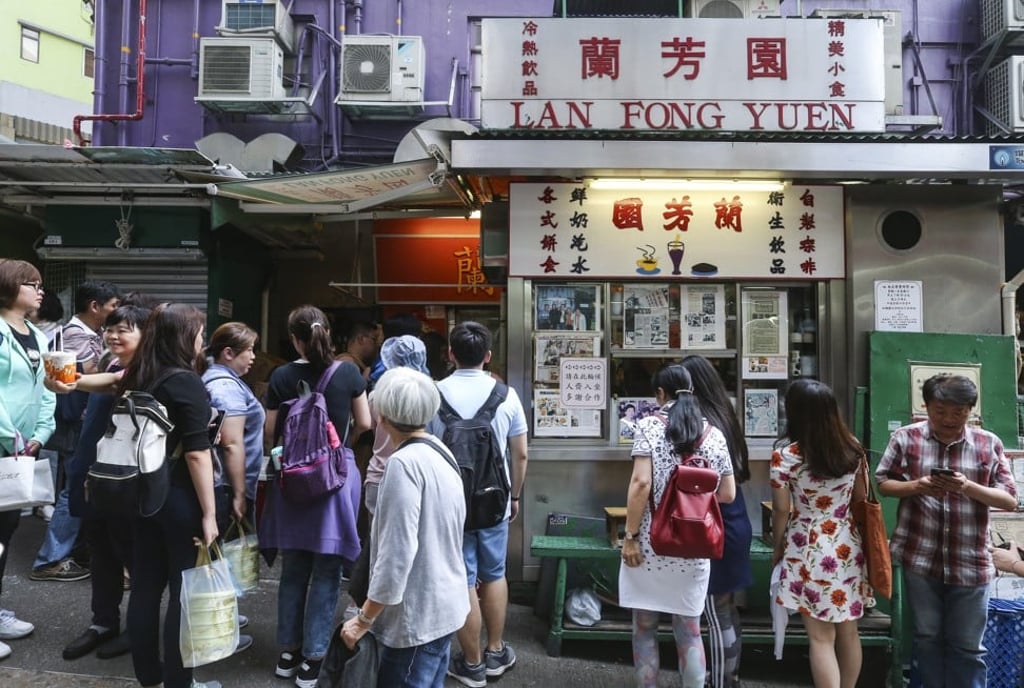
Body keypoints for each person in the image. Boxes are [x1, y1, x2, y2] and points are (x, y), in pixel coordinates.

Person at [875, 374, 1017, 688]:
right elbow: (883, 483)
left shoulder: (988, 443)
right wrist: (918, 486)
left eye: (958, 412)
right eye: (940, 411)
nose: (949, 419)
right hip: (920, 558)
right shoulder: (905, 438)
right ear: (926, 407)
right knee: (927, 639)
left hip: (971, 563)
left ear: (971, 410)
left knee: (967, 647)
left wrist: (967, 487)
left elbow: (1009, 499)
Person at [340, 367, 471, 687]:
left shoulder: (402, 465)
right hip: (445, 606)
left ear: (382, 415)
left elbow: (396, 555)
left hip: (416, 616)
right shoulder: (441, 451)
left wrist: (364, 619)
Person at [261, 305, 370, 688]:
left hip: (292, 481)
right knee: (326, 571)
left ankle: (287, 654)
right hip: (334, 481)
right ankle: (313, 660)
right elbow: (367, 422)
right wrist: (336, 446)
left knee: (294, 569)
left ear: (294, 338)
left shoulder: (280, 376)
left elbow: (270, 432)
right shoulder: (348, 374)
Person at [121, 303, 224, 688]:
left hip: (142, 493)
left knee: (146, 587)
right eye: (199, 333)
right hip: (180, 495)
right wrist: (210, 514)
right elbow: (197, 453)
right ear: (184, 337)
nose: (202, 340)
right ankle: (180, 682)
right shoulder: (185, 381)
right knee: (185, 594)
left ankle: (150, 678)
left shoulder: (141, 375)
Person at [619, 363, 736, 688]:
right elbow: (727, 494)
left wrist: (630, 536)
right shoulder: (714, 435)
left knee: (644, 629)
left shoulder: (649, 427)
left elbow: (641, 483)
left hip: (649, 547)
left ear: (660, 394)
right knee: (690, 632)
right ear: (692, 392)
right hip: (694, 550)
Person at [436, 321, 528, 688]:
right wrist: (516, 495)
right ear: (488, 356)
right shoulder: (507, 395)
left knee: (463, 579)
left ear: (450, 355)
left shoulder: (434, 392)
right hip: (495, 503)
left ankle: (471, 664)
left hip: (450, 506)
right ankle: (495, 651)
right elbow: (520, 454)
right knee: (494, 574)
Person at [62, 302, 152, 661]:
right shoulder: (109, 362)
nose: (113, 336)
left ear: (146, 337)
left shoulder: (144, 372)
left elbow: (115, 385)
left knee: (133, 554)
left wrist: (73, 381)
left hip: (124, 480)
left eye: (123, 330)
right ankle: (103, 622)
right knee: (100, 553)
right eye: (110, 329)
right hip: (91, 474)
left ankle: (138, 626)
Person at [770, 379, 872, 688]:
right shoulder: (853, 450)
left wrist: (778, 547)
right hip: (846, 543)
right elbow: (861, 498)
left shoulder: (785, 457)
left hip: (807, 545)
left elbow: (781, 510)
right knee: (848, 631)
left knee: (820, 638)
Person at [32, 279, 121, 583]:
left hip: (82, 422)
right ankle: (50, 560)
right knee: (73, 488)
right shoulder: (74, 335)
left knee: (79, 485)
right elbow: (87, 375)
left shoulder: (89, 334)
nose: (116, 313)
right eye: (113, 307)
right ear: (95, 307)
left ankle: (76, 551)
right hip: (75, 424)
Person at [680, 354, 752, 688]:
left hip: (713, 526)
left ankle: (723, 682)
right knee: (723, 609)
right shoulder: (726, 416)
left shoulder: (703, 426)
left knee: (714, 610)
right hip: (734, 520)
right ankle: (727, 677)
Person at [0, 259, 56, 659]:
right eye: (30, 283)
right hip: (7, 444)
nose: (40, 290)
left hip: (22, 449)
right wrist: (12, 437)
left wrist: (40, 434)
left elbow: (50, 388)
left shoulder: (37, 334)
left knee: (5, 533)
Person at [203, 321, 265, 523]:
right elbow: (231, 443)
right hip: (228, 486)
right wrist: (240, 494)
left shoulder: (212, 378)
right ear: (228, 353)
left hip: (222, 484)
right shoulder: (226, 388)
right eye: (249, 350)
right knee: (232, 551)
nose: (253, 356)